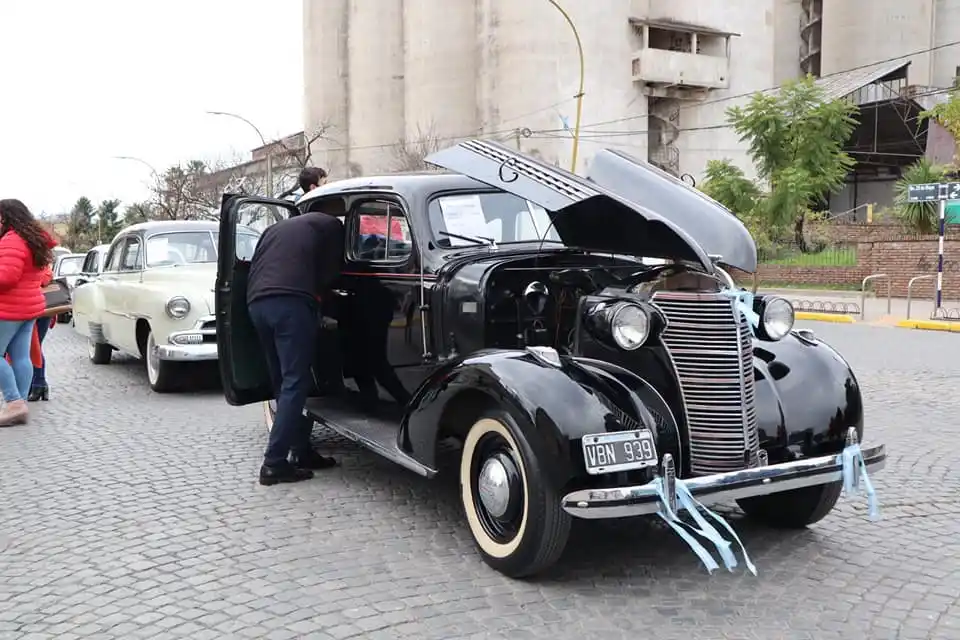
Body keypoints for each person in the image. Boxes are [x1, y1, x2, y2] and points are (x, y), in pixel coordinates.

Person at [246, 207, 345, 485]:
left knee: (282, 381)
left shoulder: (275, 229)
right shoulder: (333, 224)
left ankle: (301, 451)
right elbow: (332, 271)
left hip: (257, 303)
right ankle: (274, 463)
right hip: (290, 303)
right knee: (296, 382)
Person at [0, 199, 55, 426]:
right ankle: (20, 403)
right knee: (21, 356)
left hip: (8, 308)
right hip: (29, 308)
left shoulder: (12, 240)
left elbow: (6, 277)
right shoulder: (33, 240)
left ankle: (14, 402)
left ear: (6, 217)